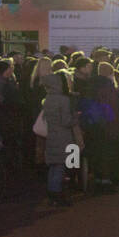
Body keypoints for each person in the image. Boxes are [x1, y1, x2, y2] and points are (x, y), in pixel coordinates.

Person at [40, 72, 79, 206]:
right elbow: (66, 121)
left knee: (53, 166)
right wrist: (76, 117)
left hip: (51, 135)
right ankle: (57, 194)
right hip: (63, 136)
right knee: (61, 166)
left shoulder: (47, 98)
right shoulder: (64, 100)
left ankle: (52, 192)